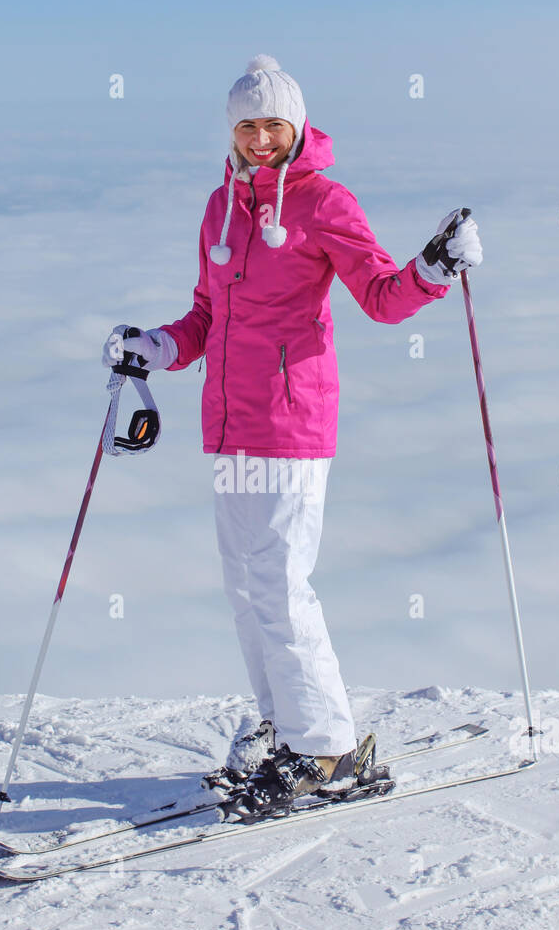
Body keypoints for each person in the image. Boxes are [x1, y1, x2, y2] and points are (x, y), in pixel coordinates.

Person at [103, 55, 482, 814]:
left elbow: (378, 296)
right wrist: (156, 348)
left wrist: (434, 270)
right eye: (248, 125)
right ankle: (286, 725)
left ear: (298, 124)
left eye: (274, 123)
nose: (262, 138)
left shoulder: (323, 202)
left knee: (280, 585)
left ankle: (327, 751)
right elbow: (206, 318)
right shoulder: (220, 207)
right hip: (229, 425)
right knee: (247, 590)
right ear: (233, 132)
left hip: (291, 422)